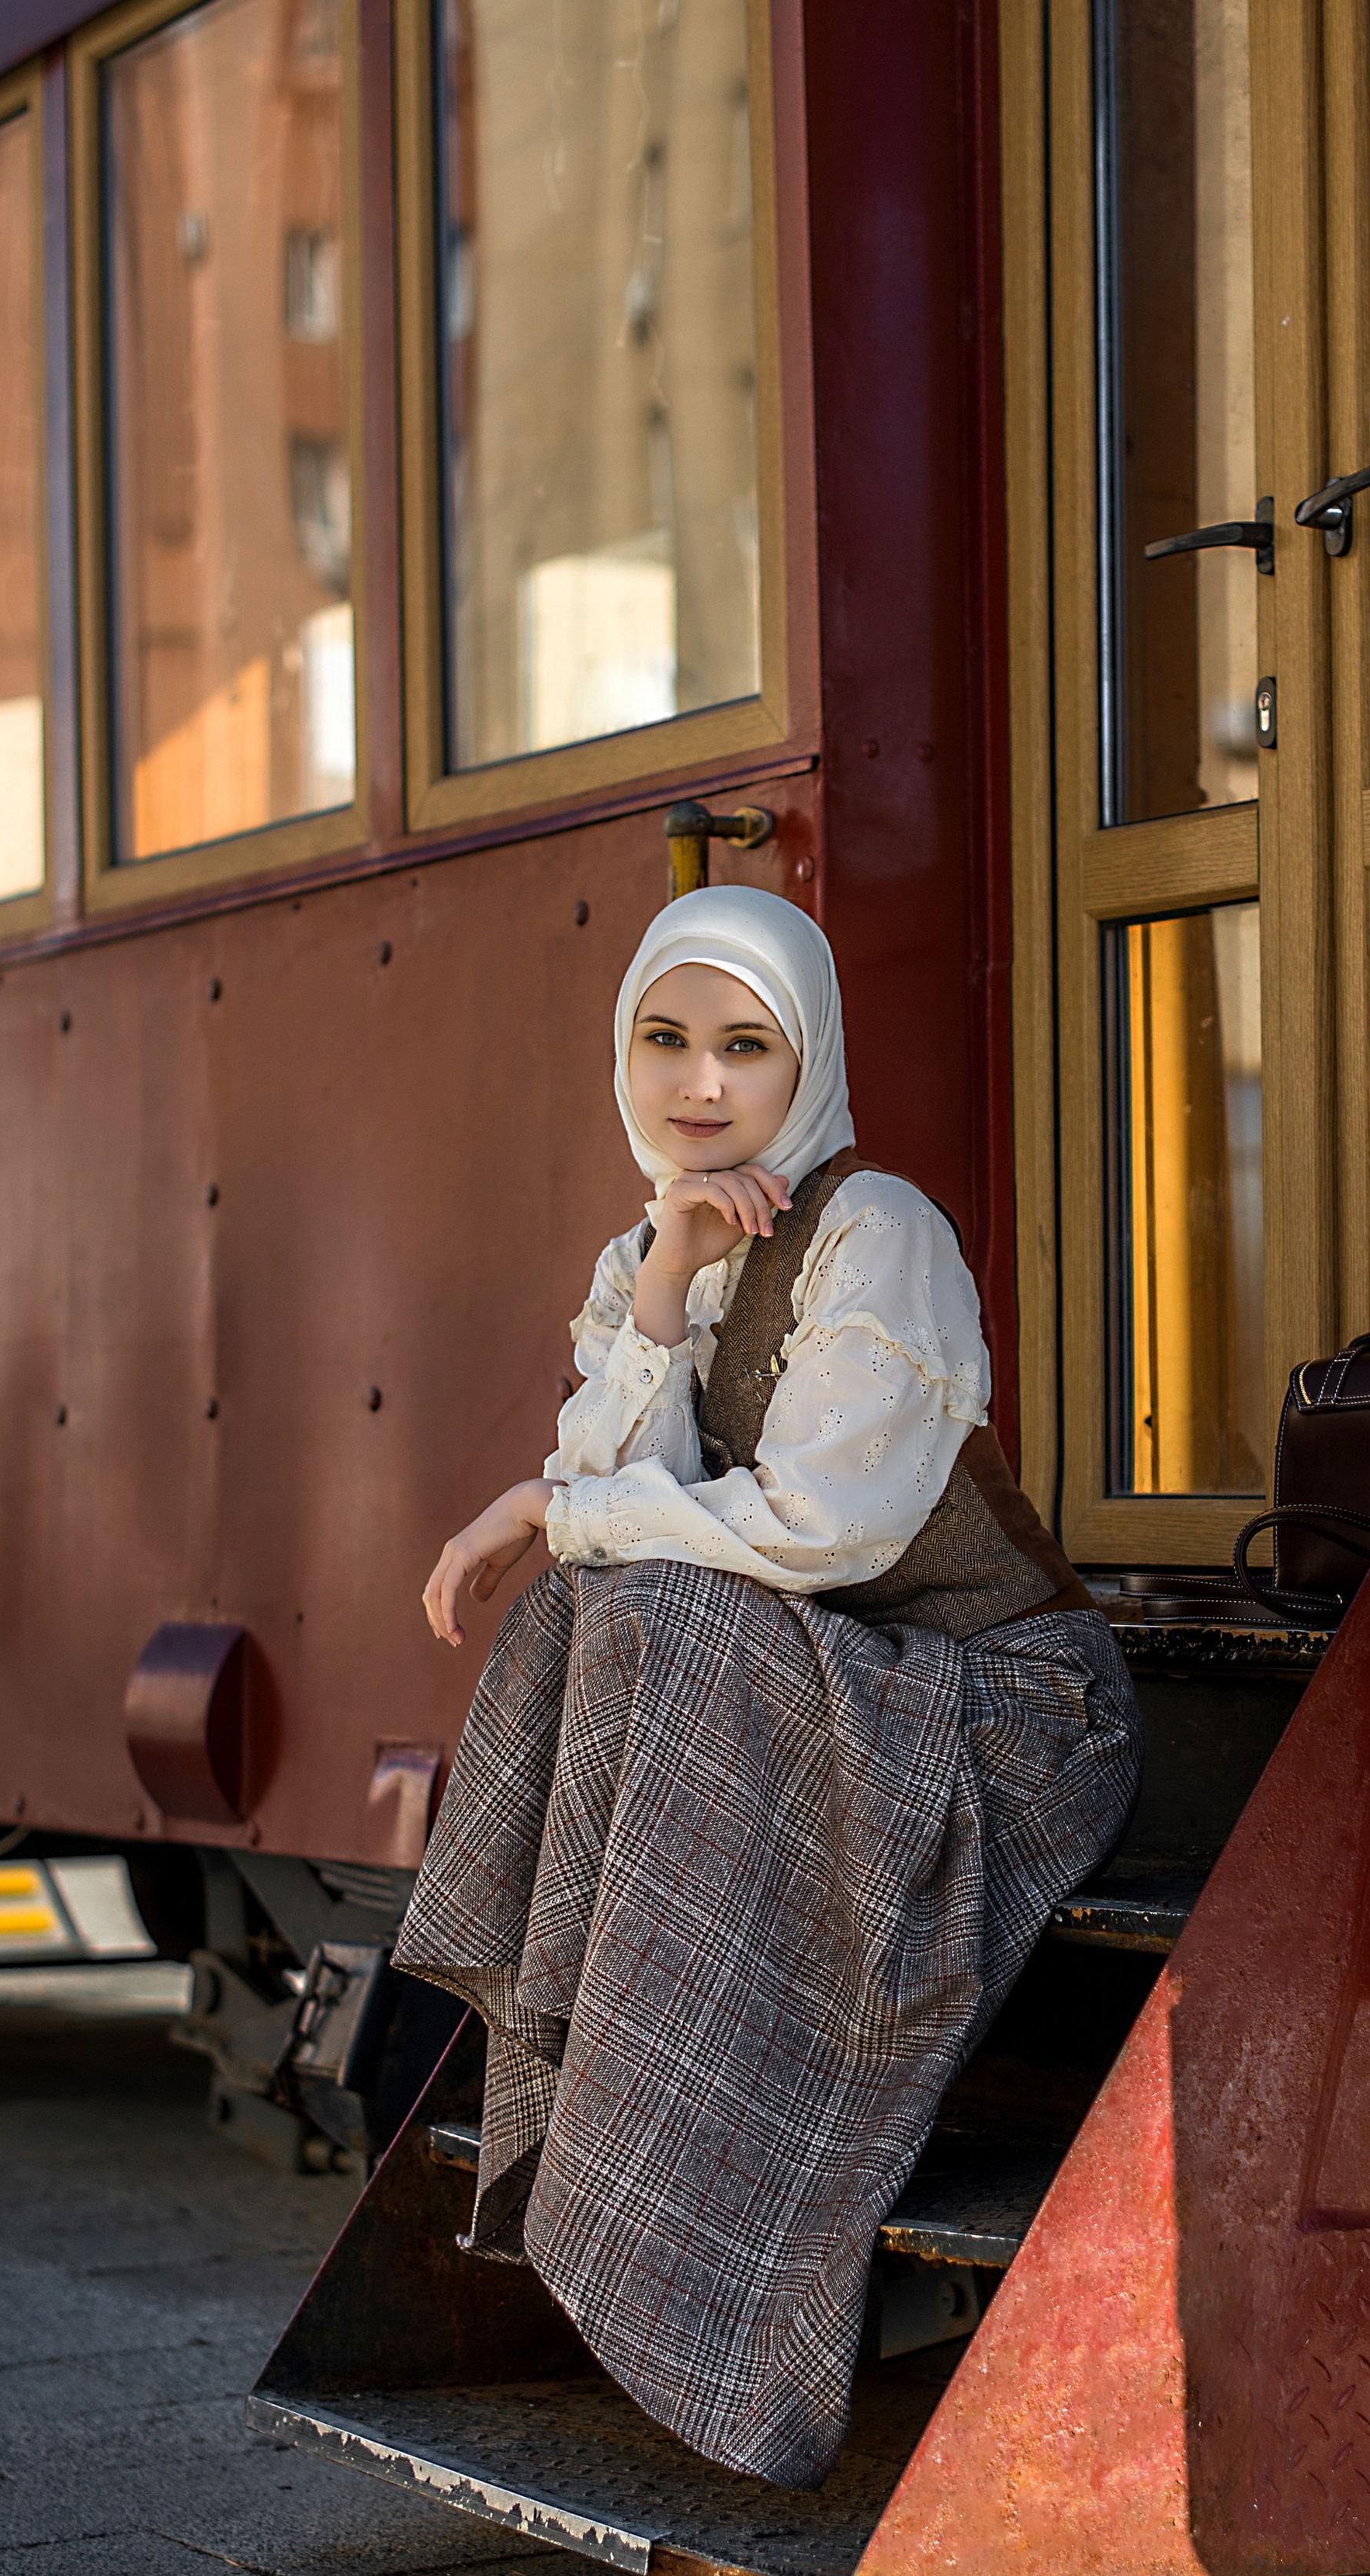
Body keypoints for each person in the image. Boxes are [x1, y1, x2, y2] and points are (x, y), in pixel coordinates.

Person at [393, 886, 1141, 2490]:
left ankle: (683, 2210)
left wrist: (540, 1507)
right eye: (665, 1039)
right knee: (585, 1619)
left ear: (805, 1056)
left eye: (745, 1044)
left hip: (1000, 1706)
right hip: (845, 1675)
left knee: (641, 1604)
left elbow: (819, 1526)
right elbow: (631, 1491)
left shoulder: (883, 1234)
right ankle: (587, 2080)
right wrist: (661, 1277)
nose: (700, 1082)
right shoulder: (650, 1247)